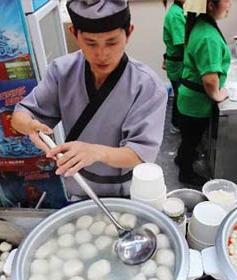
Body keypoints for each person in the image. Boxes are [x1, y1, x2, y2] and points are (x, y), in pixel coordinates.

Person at [11, 0, 167, 200]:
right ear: (74, 32)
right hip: (78, 185)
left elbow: (140, 154)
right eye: (91, 43)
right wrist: (29, 126)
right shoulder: (62, 71)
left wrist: (96, 152)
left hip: (128, 190)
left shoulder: (147, 86)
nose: (102, 54)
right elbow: (20, 115)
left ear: (129, 33)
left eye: (112, 42)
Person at [176, 0, 231, 186]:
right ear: (210, 5)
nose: (230, 3)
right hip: (196, 104)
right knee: (192, 139)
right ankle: (185, 172)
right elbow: (209, 79)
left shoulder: (199, 24)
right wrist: (217, 94)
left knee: (188, 137)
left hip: (188, 98)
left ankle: (181, 158)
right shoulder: (208, 36)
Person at [162, 0, 186, 134]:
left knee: (179, 94)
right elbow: (182, 44)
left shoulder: (179, 10)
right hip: (178, 65)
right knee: (181, 95)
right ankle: (177, 125)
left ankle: (177, 123)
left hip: (176, 62)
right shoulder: (176, 15)